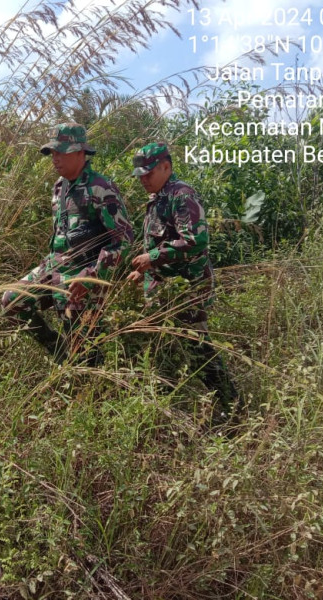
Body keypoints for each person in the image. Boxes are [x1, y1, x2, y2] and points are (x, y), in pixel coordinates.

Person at [1, 123, 133, 365]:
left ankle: (93, 378)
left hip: (85, 273)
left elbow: (123, 241)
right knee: (13, 300)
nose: (55, 159)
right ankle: (59, 353)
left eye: (61, 152)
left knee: (83, 344)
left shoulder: (101, 188)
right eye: (53, 153)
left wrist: (92, 274)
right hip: (55, 266)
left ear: (80, 152)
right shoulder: (59, 188)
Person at [127, 142, 240, 423]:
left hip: (187, 289)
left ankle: (233, 408)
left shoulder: (181, 195)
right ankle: (169, 410)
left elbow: (194, 240)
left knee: (198, 349)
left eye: (148, 173)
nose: (143, 179)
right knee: (163, 349)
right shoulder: (157, 198)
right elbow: (161, 240)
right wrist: (144, 269)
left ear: (166, 166)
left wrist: (152, 257)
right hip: (163, 289)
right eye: (139, 174)